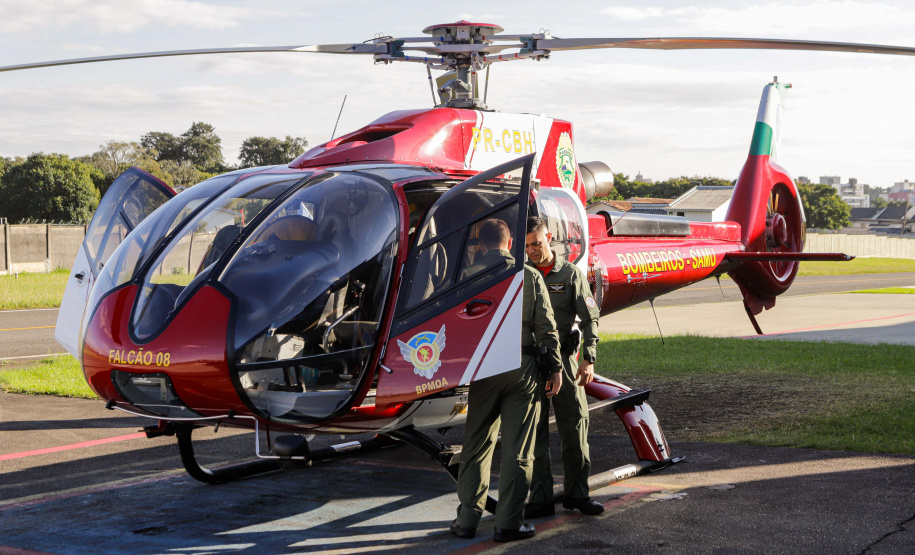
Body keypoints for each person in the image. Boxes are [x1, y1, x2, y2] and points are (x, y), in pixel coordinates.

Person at [452, 221, 564, 543]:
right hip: (523, 367)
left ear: (482, 245)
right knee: (518, 447)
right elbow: (547, 326)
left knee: (476, 445)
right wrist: (555, 368)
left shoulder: (468, 277)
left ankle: (467, 521)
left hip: (484, 367)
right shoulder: (528, 274)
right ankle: (509, 524)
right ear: (511, 242)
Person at [524, 216, 604, 518]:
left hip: (567, 363)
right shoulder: (522, 275)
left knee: (575, 426)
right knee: (536, 434)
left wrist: (588, 358)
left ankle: (578, 495)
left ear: (550, 237)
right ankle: (542, 498)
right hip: (532, 364)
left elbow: (589, 317)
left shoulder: (570, 275)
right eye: (528, 245)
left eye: (538, 243)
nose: (532, 250)